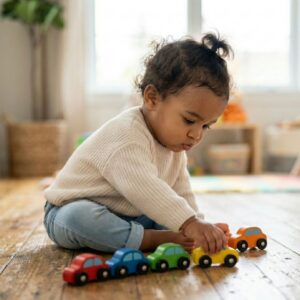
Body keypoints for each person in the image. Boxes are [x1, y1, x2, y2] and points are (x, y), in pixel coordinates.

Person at [44, 33, 232, 254]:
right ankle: (150, 239)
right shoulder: (126, 136)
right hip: (68, 211)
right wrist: (189, 223)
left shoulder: (175, 144)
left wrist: (199, 225)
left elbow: (180, 191)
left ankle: (148, 236)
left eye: (206, 126)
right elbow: (146, 190)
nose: (196, 135)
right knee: (78, 217)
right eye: (189, 120)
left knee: (169, 213)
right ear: (152, 98)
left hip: (132, 215)